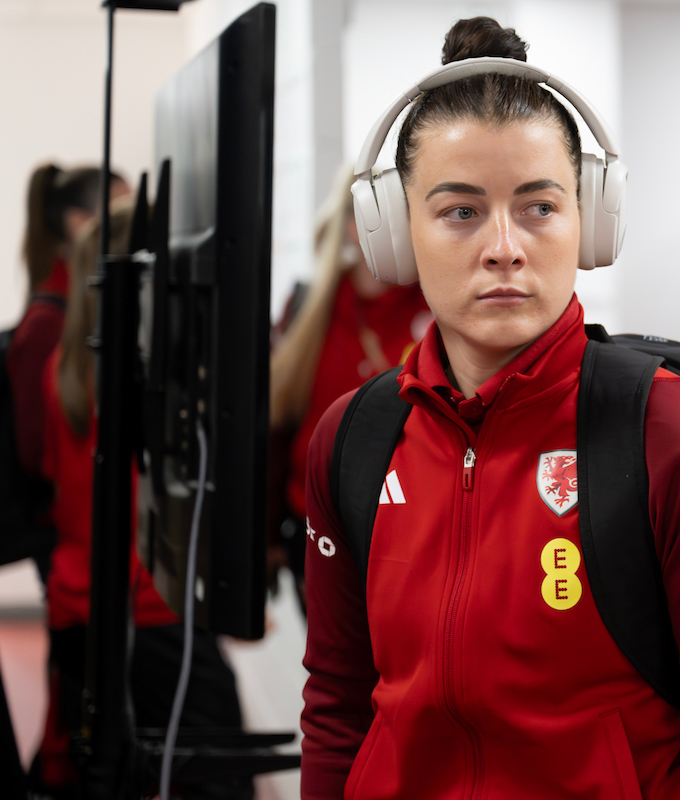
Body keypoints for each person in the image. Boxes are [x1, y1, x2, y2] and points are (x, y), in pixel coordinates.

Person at [301, 16, 680, 799]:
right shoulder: (354, 438)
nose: (504, 246)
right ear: (394, 230)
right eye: (460, 212)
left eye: (538, 207)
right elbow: (338, 711)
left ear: (590, 222)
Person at [34, 201, 252, 800]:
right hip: (147, 606)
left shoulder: (65, 370)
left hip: (80, 603)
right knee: (220, 780)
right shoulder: (148, 381)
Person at [268, 165, 429, 612]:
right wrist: (263, 537)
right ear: (349, 225)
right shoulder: (311, 307)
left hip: (415, 538)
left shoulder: (440, 307)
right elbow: (278, 425)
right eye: (376, 212)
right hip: (320, 535)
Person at [6, 164, 127, 579]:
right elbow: (37, 451)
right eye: (122, 212)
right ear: (80, 222)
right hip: (67, 535)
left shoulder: (77, 310)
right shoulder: (49, 324)